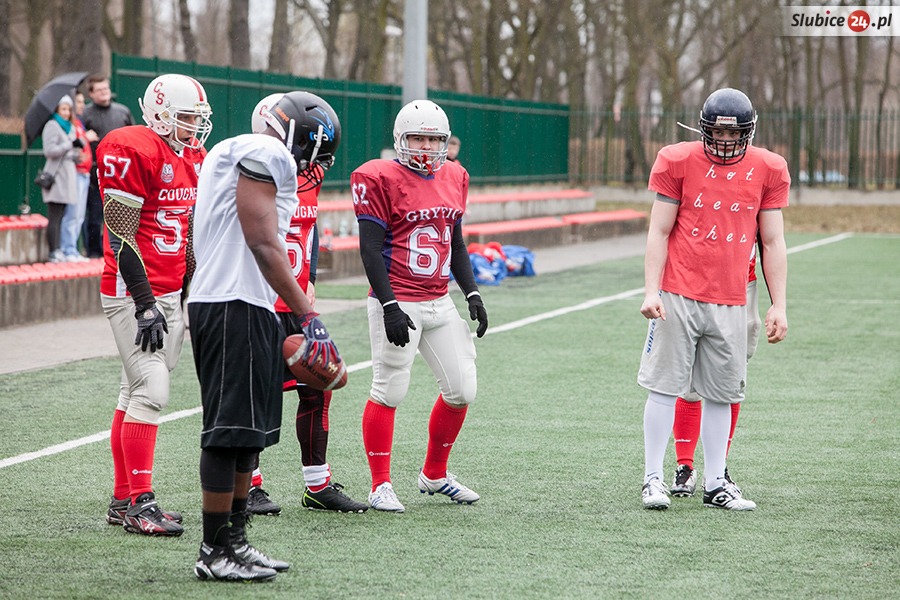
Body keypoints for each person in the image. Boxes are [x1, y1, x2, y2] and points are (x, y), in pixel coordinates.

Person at [188, 91, 341, 581]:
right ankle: (213, 551)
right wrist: (308, 315)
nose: (313, 166)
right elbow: (261, 240)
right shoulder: (265, 150)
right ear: (300, 136)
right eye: (317, 152)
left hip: (244, 301)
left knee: (246, 437)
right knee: (227, 434)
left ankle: (234, 541)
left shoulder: (240, 151)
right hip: (230, 301)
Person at [638, 87, 789, 512]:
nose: (725, 142)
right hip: (679, 291)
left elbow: (773, 241)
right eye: (718, 133)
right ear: (703, 129)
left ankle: (715, 481)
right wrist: (651, 289)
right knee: (664, 386)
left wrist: (779, 303)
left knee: (723, 392)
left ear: (748, 132)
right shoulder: (677, 159)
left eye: (733, 134)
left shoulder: (769, 167)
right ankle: (652, 478)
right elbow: (659, 230)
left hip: (734, 296)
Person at [351, 99, 489, 513]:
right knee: (389, 388)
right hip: (398, 298)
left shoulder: (456, 175)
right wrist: (389, 305)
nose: (426, 147)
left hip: (439, 299)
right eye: (417, 138)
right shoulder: (379, 177)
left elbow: (456, 242)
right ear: (401, 139)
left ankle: (434, 474)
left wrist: (472, 293)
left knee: (462, 389)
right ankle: (380, 484)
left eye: (434, 139)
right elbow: (369, 249)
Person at [97, 74, 212, 536]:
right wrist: (145, 305)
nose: (194, 127)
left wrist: (189, 290)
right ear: (161, 115)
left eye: (197, 119)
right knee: (152, 391)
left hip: (168, 290)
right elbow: (121, 235)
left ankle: (123, 498)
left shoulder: (193, 155)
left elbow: (186, 232)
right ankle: (141, 503)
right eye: (185, 118)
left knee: (132, 391)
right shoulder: (134, 149)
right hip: (133, 291)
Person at [244, 93, 368, 516]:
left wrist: (310, 278)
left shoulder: (311, 173)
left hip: (297, 300)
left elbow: (310, 230)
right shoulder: (251, 170)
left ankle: (317, 485)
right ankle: (249, 485)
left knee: (317, 387)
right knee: (257, 396)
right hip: (260, 300)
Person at [669, 250, 761, 497]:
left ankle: (718, 468)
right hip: (695, 283)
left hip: (741, 284)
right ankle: (685, 465)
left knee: (729, 382)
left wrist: (779, 303)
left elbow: (771, 242)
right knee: (689, 383)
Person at [82, 75, 134, 258]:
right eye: (99, 90)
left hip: (122, 172)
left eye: (106, 88)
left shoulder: (123, 111)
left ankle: (118, 251)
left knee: (120, 214)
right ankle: (94, 252)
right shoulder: (85, 114)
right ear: (91, 93)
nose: (104, 93)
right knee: (95, 215)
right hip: (96, 171)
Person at [39, 95, 83, 263]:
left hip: (67, 176)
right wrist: (70, 145)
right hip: (56, 177)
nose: (66, 113)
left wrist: (75, 153)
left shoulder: (69, 127)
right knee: (55, 215)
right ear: (57, 109)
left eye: (68, 109)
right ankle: (53, 250)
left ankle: (59, 249)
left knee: (63, 214)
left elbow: (67, 152)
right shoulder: (52, 125)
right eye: (63, 109)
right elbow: (49, 151)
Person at [59, 91, 97, 262]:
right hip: (74, 172)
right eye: (79, 102)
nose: (82, 105)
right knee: (72, 213)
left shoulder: (79, 122)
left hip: (84, 172)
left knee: (79, 215)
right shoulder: (69, 124)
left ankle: (72, 248)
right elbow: (68, 146)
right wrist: (85, 139)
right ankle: (67, 249)